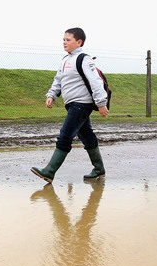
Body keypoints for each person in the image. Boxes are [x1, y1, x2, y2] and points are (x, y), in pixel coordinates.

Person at [31, 27, 108, 183]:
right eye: (63, 40)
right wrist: (51, 95)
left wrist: (101, 103)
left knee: (65, 135)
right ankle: (99, 170)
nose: (64, 42)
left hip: (82, 104)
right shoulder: (65, 60)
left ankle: (49, 171)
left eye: (68, 40)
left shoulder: (84, 59)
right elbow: (58, 80)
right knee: (87, 136)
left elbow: (96, 82)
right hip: (72, 105)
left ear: (79, 42)